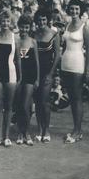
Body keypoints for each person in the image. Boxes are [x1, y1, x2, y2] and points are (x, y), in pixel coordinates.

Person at [60, 0, 89, 143]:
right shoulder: (67, 25)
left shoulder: (84, 27)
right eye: (72, 9)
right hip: (65, 62)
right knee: (71, 98)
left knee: (77, 98)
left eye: (77, 9)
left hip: (78, 63)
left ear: (80, 11)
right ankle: (75, 128)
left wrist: (87, 70)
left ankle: (78, 131)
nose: (74, 11)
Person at [0, 11, 21, 148]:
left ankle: (7, 136)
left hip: (11, 73)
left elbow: (18, 59)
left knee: (9, 106)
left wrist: (20, 76)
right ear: (0, 21)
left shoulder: (15, 38)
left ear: (11, 23)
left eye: (8, 21)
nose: (5, 23)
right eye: (3, 21)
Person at [33, 9, 60, 142]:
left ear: (48, 20)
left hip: (48, 72)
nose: (41, 22)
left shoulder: (54, 34)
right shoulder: (34, 34)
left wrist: (51, 74)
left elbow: (57, 56)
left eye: (44, 19)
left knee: (45, 102)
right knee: (37, 101)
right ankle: (39, 128)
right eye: (39, 20)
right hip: (35, 72)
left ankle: (46, 129)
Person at [15, 15, 39, 145]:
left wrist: (38, 79)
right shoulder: (16, 41)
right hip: (19, 76)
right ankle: (20, 131)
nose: (24, 29)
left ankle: (27, 132)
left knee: (26, 105)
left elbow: (36, 62)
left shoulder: (33, 41)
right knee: (19, 105)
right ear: (19, 27)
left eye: (27, 27)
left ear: (30, 28)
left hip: (30, 75)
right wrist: (18, 77)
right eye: (22, 27)